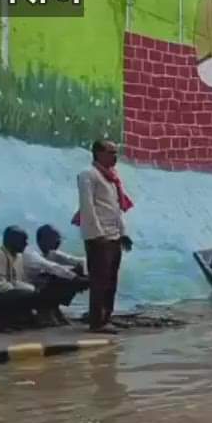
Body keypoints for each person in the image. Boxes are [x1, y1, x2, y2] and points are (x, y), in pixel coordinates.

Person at [76, 139, 134, 334]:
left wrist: (123, 233)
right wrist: (97, 235)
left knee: (111, 280)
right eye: (111, 152)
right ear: (98, 153)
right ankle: (96, 321)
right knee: (99, 281)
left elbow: (115, 210)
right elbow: (87, 207)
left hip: (114, 236)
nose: (115, 156)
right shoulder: (88, 175)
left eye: (116, 152)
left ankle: (106, 317)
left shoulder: (112, 178)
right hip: (99, 237)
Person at [0, 227, 62, 331]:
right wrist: (29, 291)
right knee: (26, 294)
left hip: (2, 297)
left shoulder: (16, 257)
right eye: (23, 241)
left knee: (36, 292)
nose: (26, 244)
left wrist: (34, 290)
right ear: (12, 241)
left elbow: (15, 282)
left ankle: (14, 320)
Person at [23, 224, 90, 326]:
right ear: (43, 239)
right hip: (29, 289)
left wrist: (91, 270)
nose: (59, 241)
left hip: (43, 287)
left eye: (59, 239)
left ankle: (54, 307)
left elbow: (75, 260)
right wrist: (77, 279)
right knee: (61, 277)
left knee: (78, 271)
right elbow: (52, 267)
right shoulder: (31, 254)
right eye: (55, 239)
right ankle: (45, 310)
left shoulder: (50, 252)